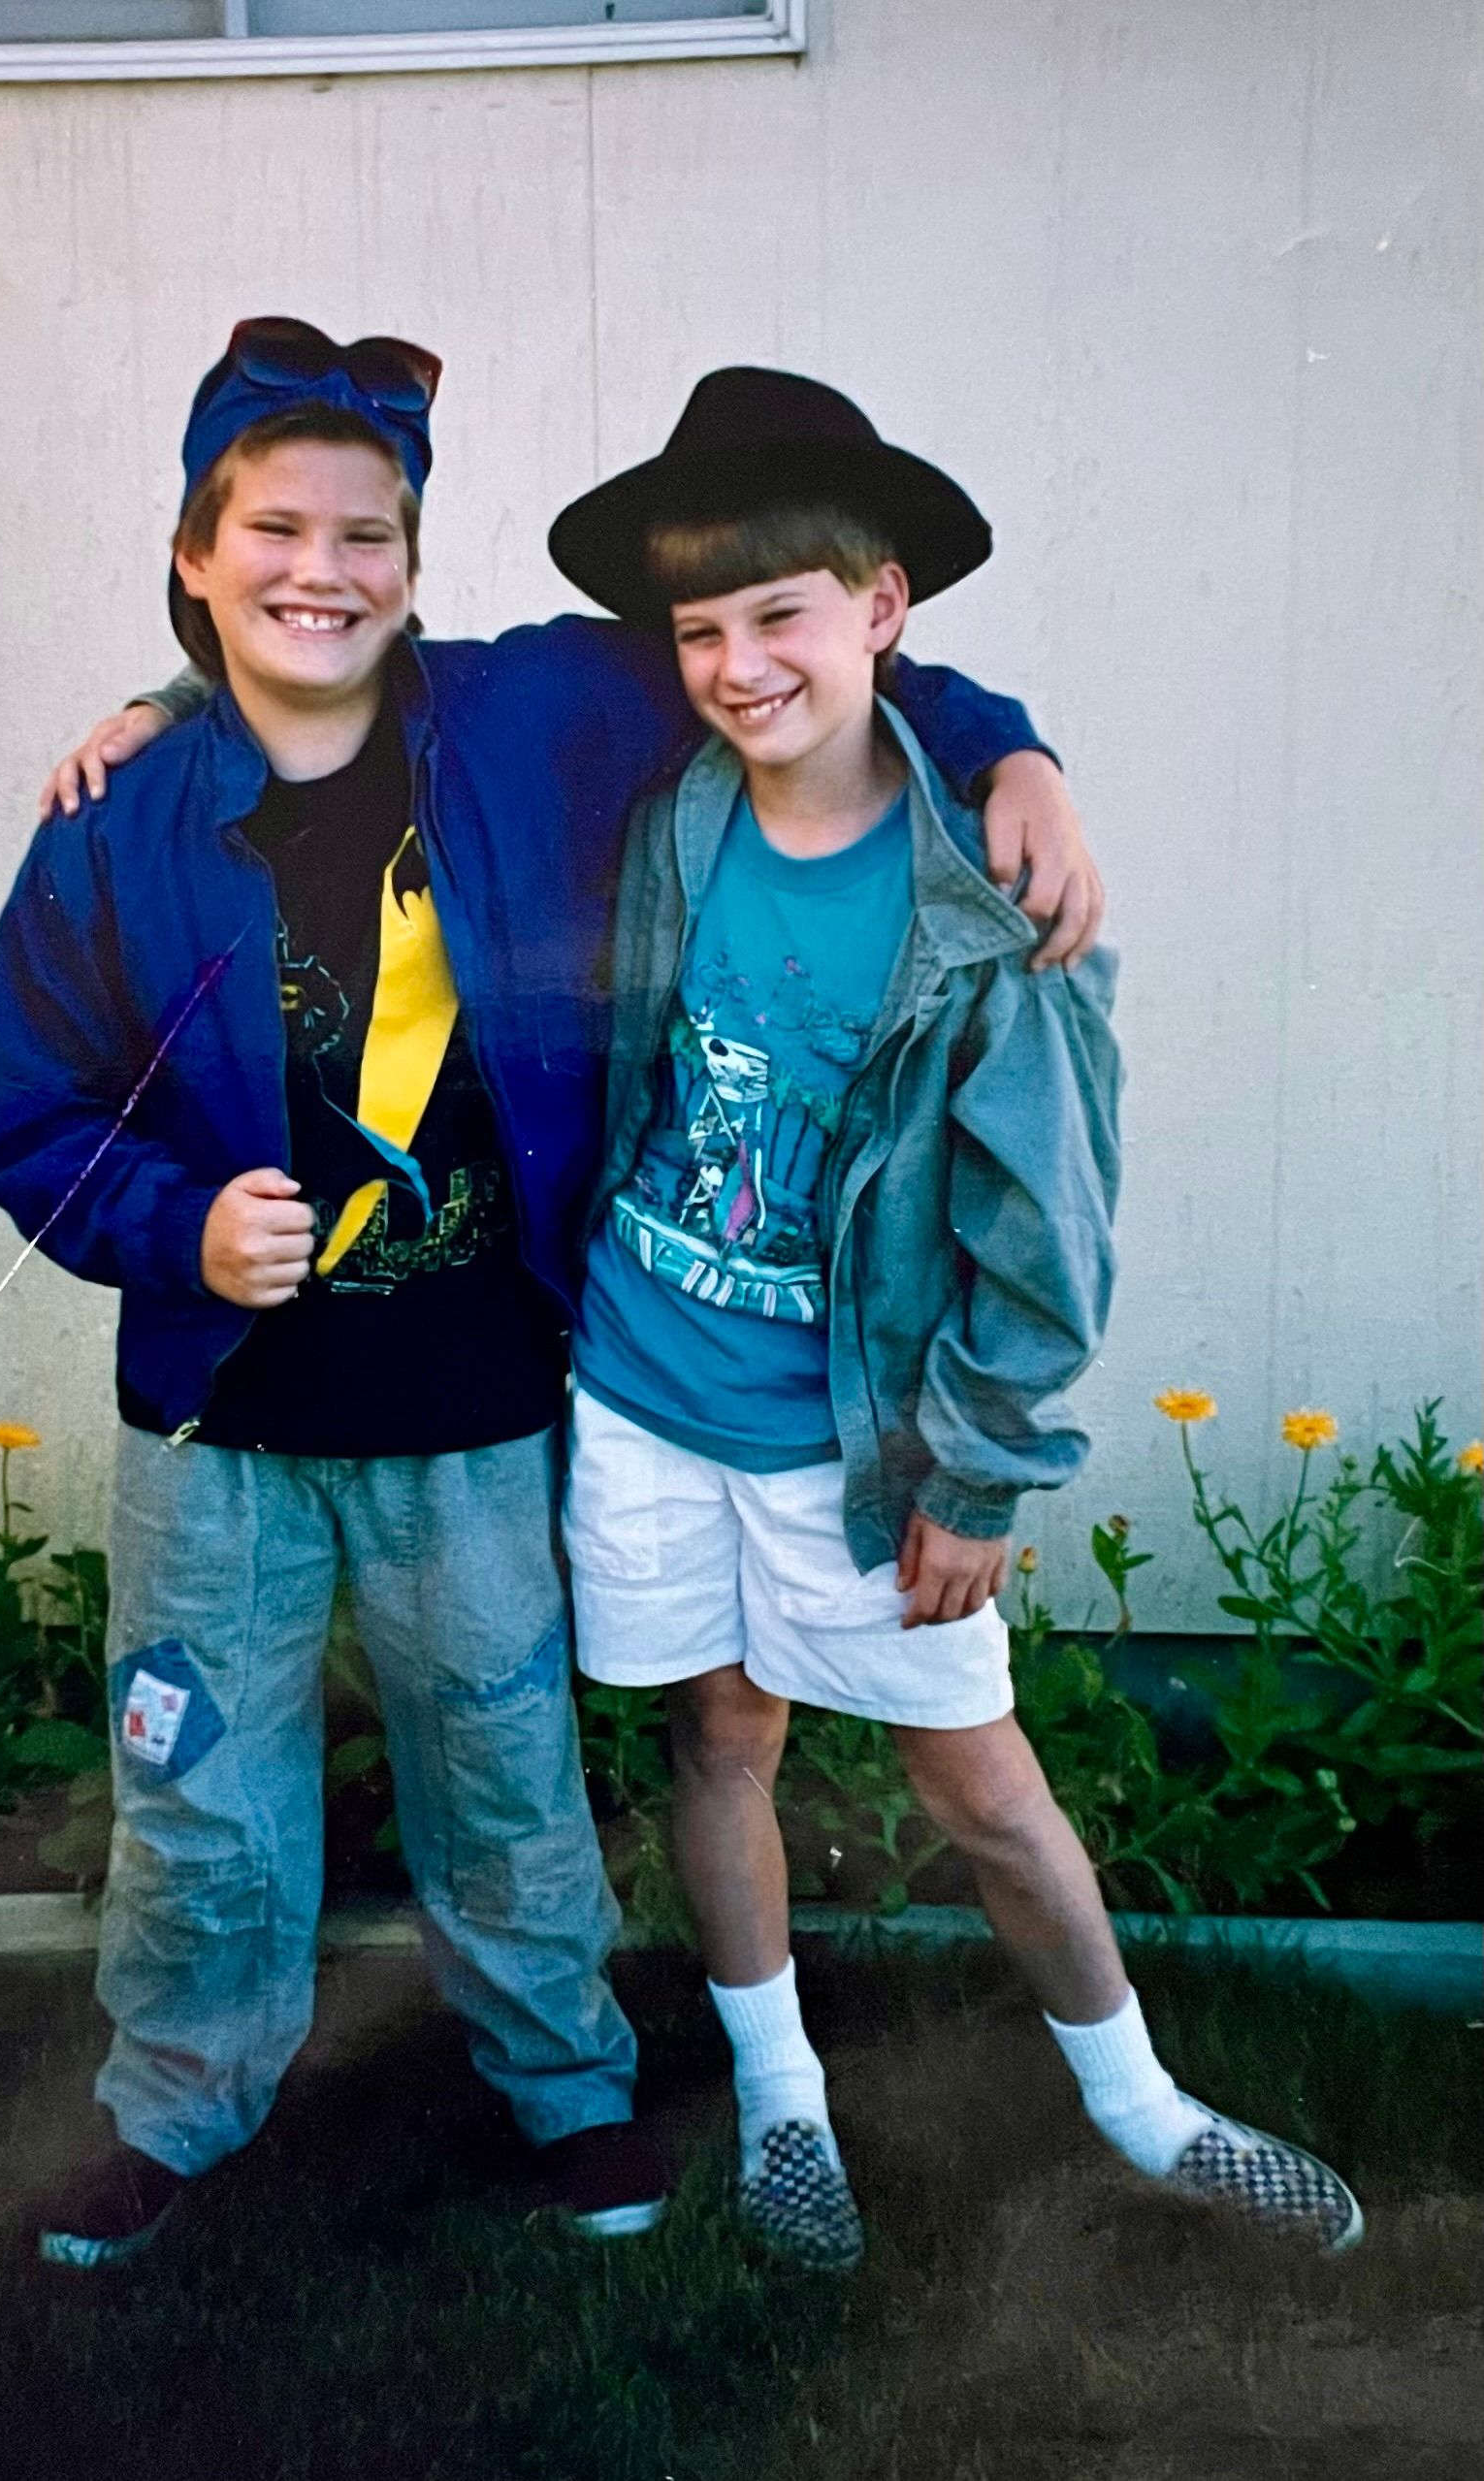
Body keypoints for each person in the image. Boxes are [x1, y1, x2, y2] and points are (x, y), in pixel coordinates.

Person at [0, 319, 1099, 2271]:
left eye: (369, 534)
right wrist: (169, 1226)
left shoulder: (530, 717)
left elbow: (814, 645)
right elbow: (29, 1114)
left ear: (414, 562)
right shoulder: (111, 823)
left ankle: (566, 2087)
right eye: (274, 530)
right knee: (195, 1789)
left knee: (500, 1768)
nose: (321, 568)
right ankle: (173, 2107)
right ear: (193, 553)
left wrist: (1013, 752)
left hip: (474, 1401)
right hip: (216, 1422)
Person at [548, 366, 1364, 2272]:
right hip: (648, 1397)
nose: (740, 665)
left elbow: (1046, 1233)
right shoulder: (671, 812)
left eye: (780, 617)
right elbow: (376, 679)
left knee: (981, 1788)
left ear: (882, 611)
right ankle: (783, 2109)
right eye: (698, 630)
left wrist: (980, 1469)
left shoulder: (994, 899)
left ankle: (1146, 2111)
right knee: (718, 1739)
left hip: (857, 1443)